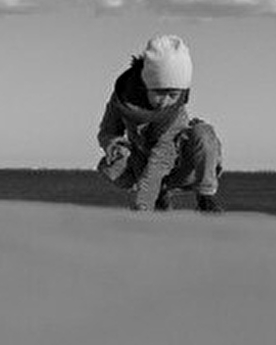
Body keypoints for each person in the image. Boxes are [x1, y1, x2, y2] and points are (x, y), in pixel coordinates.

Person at [96, 34, 224, 213]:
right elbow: (107, 131)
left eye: (173, 95)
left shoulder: (176, 115)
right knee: (112, 164)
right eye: (159, 93)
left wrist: (142, 205)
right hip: (142, 162)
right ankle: (160, 197)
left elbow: (160, 160)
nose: (164, 102)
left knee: (204, 134)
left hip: (181, 166)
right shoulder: (123, 98)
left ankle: (205, 197)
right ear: (145, 85)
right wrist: (113, 144)